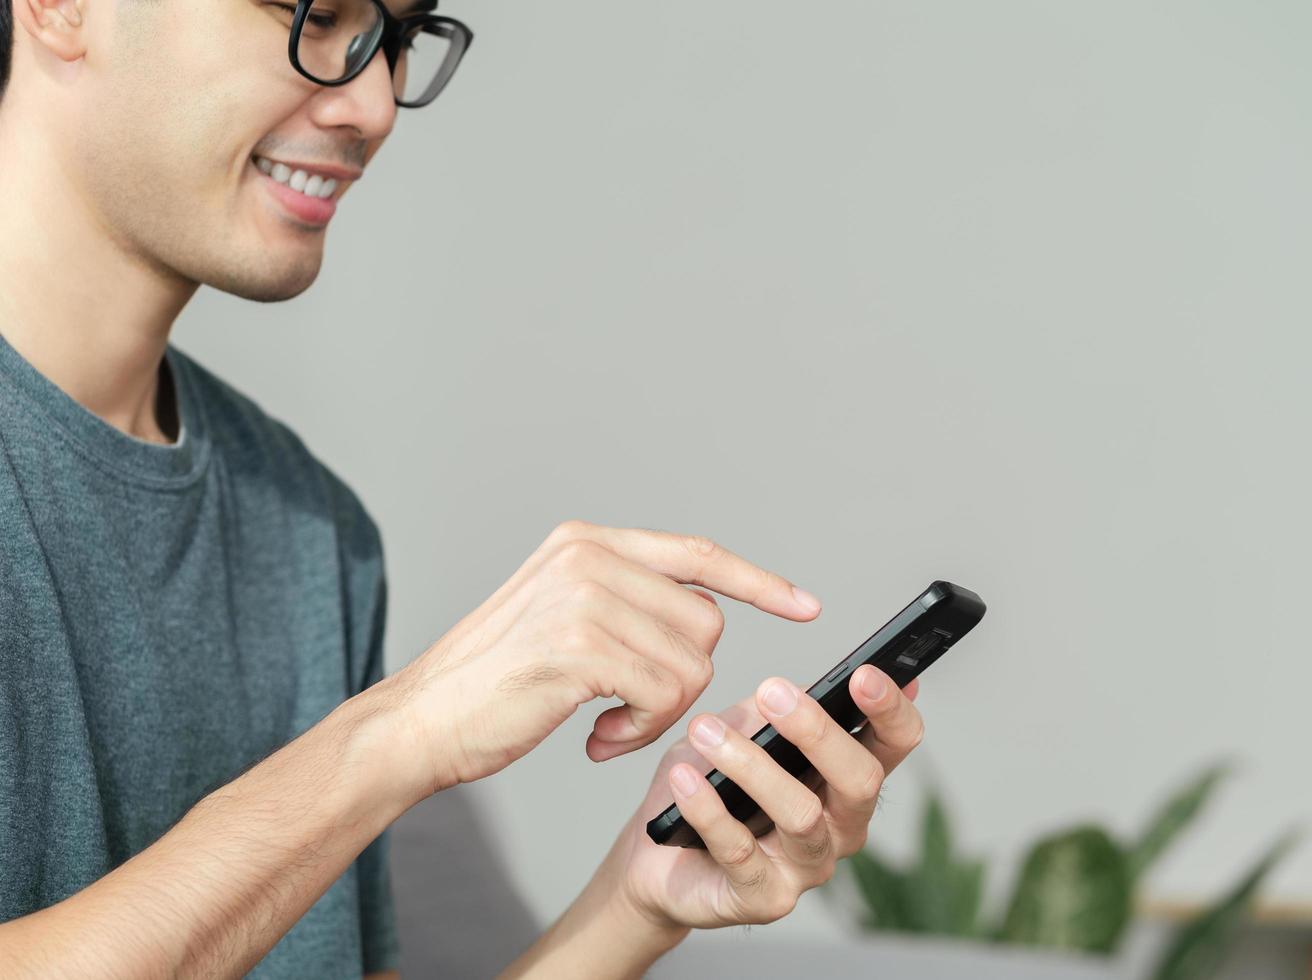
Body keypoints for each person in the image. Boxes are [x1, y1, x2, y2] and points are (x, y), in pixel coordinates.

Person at [0, 1, 928, 976]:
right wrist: (402, 731)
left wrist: (637, 902)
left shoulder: (314, 530)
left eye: (396, 39)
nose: (372, 102)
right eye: (315, 14)